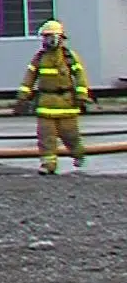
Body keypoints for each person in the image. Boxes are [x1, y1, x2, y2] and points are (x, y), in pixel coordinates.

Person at [16, 19, 91, 175]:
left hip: (66, 104)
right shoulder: (39, 58)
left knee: (70, 135)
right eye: (46, 37)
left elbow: (80, 76)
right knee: (45, 137)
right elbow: (29, 77)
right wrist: (23, 96)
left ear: (60, 37)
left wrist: (82, 95)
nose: (49, 40)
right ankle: (48, 164)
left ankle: (78, 154)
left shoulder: (69, 57)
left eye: (52, 36)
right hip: (45, 103)